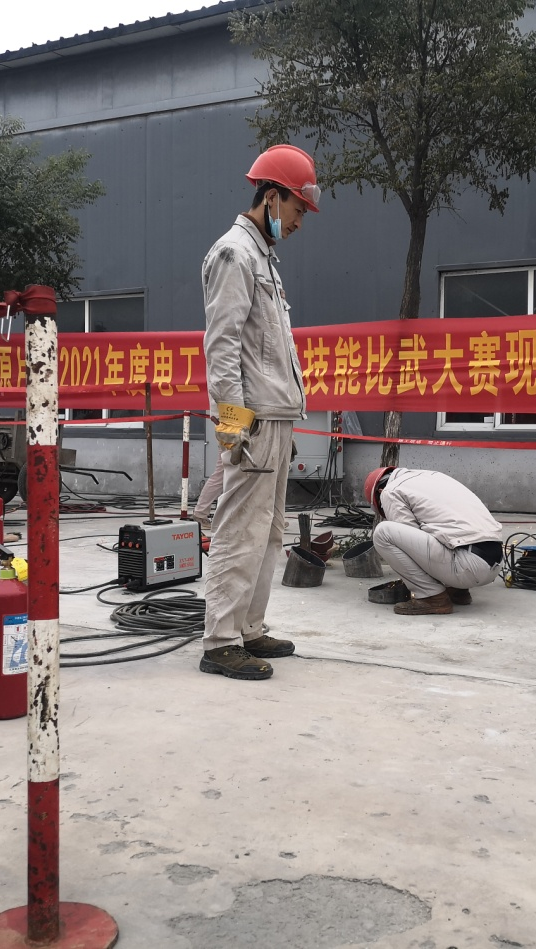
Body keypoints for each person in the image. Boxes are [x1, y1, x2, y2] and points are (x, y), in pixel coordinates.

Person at [198, 144, 320, 681]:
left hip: (275, 416)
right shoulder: (234, 254)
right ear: (271, 196)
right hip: (253, 419)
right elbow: (222, 344)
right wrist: (232, 423)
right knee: (240, 529)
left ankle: (248, 627)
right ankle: (220, 641)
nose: (298, 222)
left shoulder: (262, 256)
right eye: (296, 209)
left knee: (268, 530)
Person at [365, 466, 504, 615]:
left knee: (383, 533)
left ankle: (431, 597)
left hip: (468, 567)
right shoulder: (434, 477)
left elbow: (412, 545)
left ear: (379, 492)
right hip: (494, 563)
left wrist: (413, 579)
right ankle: (457, 590)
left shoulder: (390, 491)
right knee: (442, 529)